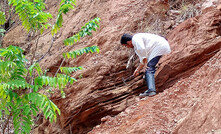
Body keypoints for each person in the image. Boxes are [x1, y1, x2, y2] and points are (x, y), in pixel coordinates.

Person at [120, 33, 171, 97]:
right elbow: (142, 60)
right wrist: (137, 70)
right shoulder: (136, 43)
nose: (127, 47)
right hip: (160, 46)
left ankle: (151, 91)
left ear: (128, 42)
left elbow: (142, 50)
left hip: (159, 46)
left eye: (126, 45)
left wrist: (146, 61)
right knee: (148, 70)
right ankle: (150, 89)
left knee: (149, 69)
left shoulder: (135, 38)